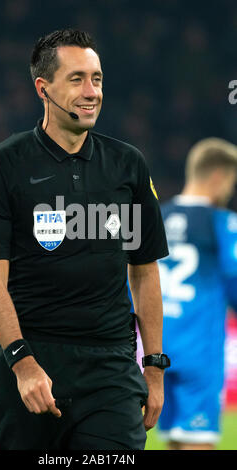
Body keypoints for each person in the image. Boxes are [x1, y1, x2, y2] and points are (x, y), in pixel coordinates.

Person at [0, 29, 169, 451]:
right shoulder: (3, 165)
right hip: (33, 361)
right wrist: (22, 364)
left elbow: (145, 272)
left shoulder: (127, 165)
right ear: (44, 88)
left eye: (96, 78)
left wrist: (153, 367)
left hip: (111, 367)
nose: (91, 91)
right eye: (77, 79)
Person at [156, 138, 237, 450]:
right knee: (198, 442)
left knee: (174, 441)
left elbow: (129, 283)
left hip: (155, 351)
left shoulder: (155, 219)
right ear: (218, 177)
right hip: (199, 352)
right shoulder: (222, 223)